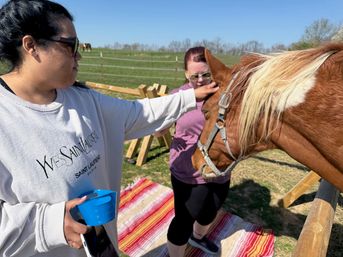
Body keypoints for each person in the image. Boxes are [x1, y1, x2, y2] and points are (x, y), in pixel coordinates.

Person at [0, 1, 218, 257]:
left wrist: (191, 96)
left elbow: (139, 113)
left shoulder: (83, 99)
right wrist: (49, 224)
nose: (78, 55)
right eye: (71, 46)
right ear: (31, 45)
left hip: (103, 246)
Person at [157, 47, 231, 256]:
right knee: (184, 220)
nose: (200, 80)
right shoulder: (178, 97)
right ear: (186, 74)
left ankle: (198, 238)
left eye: (205, 74)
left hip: (219, 169)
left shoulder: (222, 93)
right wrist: (161, 127)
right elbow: (158, 131)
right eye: (194, 75)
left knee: (210, 212)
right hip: (188, 170)